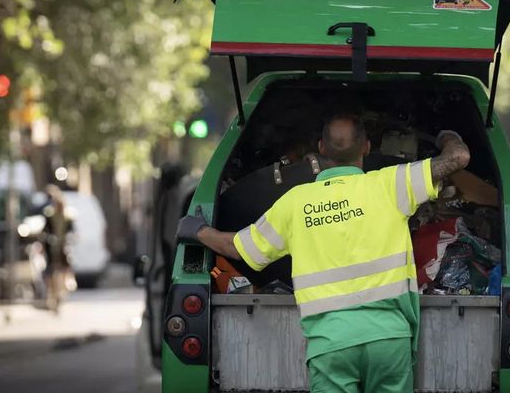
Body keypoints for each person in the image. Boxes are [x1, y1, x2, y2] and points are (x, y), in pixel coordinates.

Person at [178, 115, 470, 392]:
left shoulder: (294, 204)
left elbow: (240, 248)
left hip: (331, 346)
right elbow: (458, 158)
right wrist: (448, 136)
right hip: (389, 340)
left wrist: (200, 231)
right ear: (367, 147)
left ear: (321, 148)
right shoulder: (391, 184)